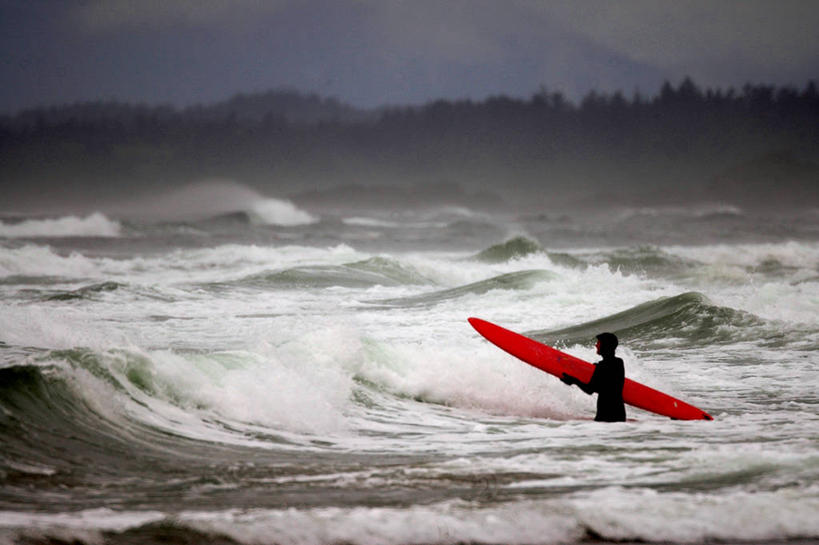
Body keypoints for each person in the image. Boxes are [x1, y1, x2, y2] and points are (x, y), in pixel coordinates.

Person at [560, 332, 626, 422]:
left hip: (606, 415)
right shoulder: (619, 363)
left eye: (598, 343)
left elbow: (590, 389)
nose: (596, 345)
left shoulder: (601, 366)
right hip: (619, 413)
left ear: (605, 346)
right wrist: (596, 369)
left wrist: (574, 380)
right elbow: (606, 387)